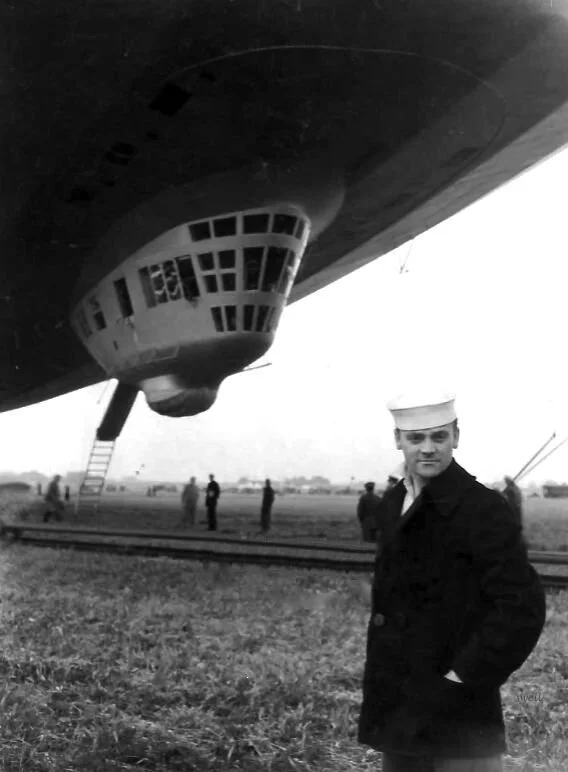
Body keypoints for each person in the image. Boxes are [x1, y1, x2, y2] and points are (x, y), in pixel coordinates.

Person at [358, 390, 546, 772]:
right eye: (415, 438)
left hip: (460, 717)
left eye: (439, 437)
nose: (428, 449)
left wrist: (464, 676)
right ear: (398, 440)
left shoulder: (485, 509)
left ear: (456, 437)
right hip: (401, 712)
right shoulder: (393, 504)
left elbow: (520, 610)